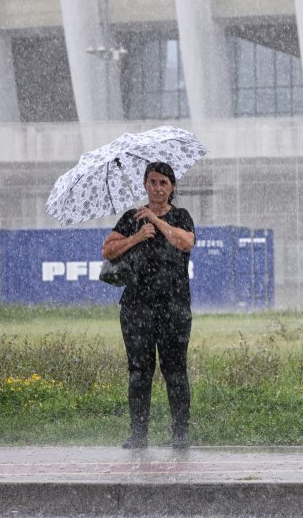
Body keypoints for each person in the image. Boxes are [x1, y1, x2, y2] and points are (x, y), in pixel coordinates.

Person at [101, 162, 195, 449]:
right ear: (145, 185)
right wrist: (137, 236)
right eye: (152, 182)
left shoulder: (181, 216)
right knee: (139, 370)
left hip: (174, 306)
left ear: (172, 187)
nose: (157, 187)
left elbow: (186, 243)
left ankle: (180, 433)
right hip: (137, 307)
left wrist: (157, 223)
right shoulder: (132, 218)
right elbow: (108, 250)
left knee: (175, 369)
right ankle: (138, 434)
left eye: (163, 183)